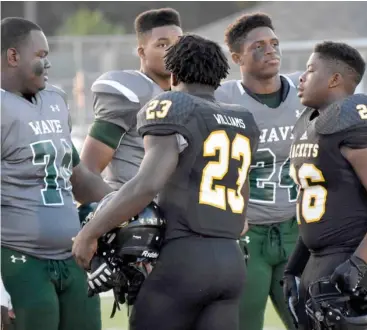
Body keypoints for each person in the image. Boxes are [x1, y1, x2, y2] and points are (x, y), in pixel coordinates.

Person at [72, 34, 260, 330]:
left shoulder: (173, 105)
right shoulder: (242, 119)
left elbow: (147, 183)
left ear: (173, 74)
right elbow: (243, 208)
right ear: (218, 77)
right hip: (231, 261)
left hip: (183, 258)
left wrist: (89, 233)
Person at [1, 17, 113, 330]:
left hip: (71, 256)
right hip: (20, 261)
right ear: (13, 57)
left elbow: (78, 178)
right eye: (40, 56)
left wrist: (129, 203)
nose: (48, 64)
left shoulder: (54, 99)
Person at [284, 41, 367, 330]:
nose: (301, 78)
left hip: (352, 259)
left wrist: (359, 262)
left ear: (334, 79)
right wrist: (294, 268)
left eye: (310, 70)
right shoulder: (311, 124)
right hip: (319, 260)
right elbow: (316, 203)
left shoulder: (353, 118)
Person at [214, 13, 301, 330]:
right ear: (236, 57)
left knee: (312, 321)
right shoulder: (222, 100)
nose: (271, 50)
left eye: (274, 43)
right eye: (259, 46)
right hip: (245, 235)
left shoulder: (306, 92)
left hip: (297, 230)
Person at [80, 8, 182, 190]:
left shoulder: (187, 94)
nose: (174, 52)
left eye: (179, 44)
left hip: (175, 211)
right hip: (136, 211)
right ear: (142, 53)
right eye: (162, 45)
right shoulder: (130, 92)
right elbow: (88, 171)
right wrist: (116, 211)